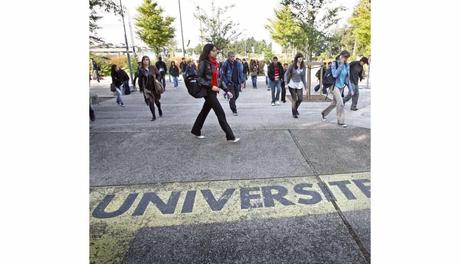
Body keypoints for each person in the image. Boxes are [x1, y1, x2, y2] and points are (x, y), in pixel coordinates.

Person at [191, 43, 240, 143]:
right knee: (220, 113)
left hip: (213, 91)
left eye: (216, 50)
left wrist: (227, 90)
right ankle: (230, 136)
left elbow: (219, 79)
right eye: (213, 50)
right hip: (208, 91)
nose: (215, 52)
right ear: (208, 52)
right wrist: (210, 86)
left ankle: (196, 130)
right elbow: (199, 79)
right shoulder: (203, 63)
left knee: (204, 112)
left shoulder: (215, 63)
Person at [321, 50, 354, 128]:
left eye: (347, 58)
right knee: (341, 103)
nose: (346, 59)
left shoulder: (347, 65)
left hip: (341, 87)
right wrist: (341, 65)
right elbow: (335, 75)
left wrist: (351, 89)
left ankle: (324, 113)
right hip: (334, 86)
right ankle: (341, 121)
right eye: (345, 57)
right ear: (341, 56)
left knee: (334, 103)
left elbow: (347, 78)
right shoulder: (334, 64)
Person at [138, 56, 163, 121]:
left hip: (154, 87)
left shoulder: (153, 67)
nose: (145, 61)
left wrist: (157, 79)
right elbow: (140, 80)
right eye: (144, 60)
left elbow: (159, 74)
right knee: (150, 102)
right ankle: (154, 116)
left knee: (156, 101)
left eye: (147, 60)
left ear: (149, 61)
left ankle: (159, 109)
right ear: (142, 61)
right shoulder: (141, 70)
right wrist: (141, 88)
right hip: (147, 89)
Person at [221, 51, 245, 116]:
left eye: (233, 56)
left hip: (236, 82)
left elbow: (240, 73)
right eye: (231, 57)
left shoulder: (238, 63)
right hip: (229, 83)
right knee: (232, 96)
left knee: (236, 95)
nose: (232, 58)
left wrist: (242, 81)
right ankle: (234, 110)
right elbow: (222, 74)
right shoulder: (225, 64)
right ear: (228, 57)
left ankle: (230, 99)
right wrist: (226, 82)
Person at [285, 53, 307, 118]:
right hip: (292, 84)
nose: (300, 59)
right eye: (299, 57)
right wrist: (286, 82)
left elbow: (303, 77)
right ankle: (294, 113)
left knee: (300, 99)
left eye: (301, 58)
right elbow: (286, 74)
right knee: (294, 99)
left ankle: (295, 109)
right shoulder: (292, 65)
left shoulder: (303, 66)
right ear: (296, 58)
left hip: (299, 84)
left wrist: (306, 87)